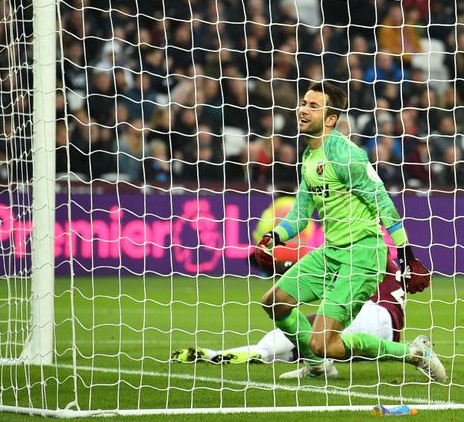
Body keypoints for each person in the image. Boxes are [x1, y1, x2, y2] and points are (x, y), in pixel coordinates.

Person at [255, 82, 445, 383]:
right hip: (332, 252)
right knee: (274, 300)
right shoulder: (309, 156)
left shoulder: (345, 154)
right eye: (304, 102)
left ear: (331, 118)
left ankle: (414, 353)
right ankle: (318, 365)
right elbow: (301, 213)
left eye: (313, 106)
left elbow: (381, 199)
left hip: (363, 254)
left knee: (323, 343)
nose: (303, 109)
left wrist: (405, 252)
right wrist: (272, 238)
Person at [170, 254, 405, 378]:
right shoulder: (378, 253)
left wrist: (277, 265)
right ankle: (226, 355)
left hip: (376, 313)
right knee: (307, 347)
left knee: (312, 324)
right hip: (389, 331)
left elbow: (320, 270)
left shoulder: (365, 247)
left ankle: (259, 351)